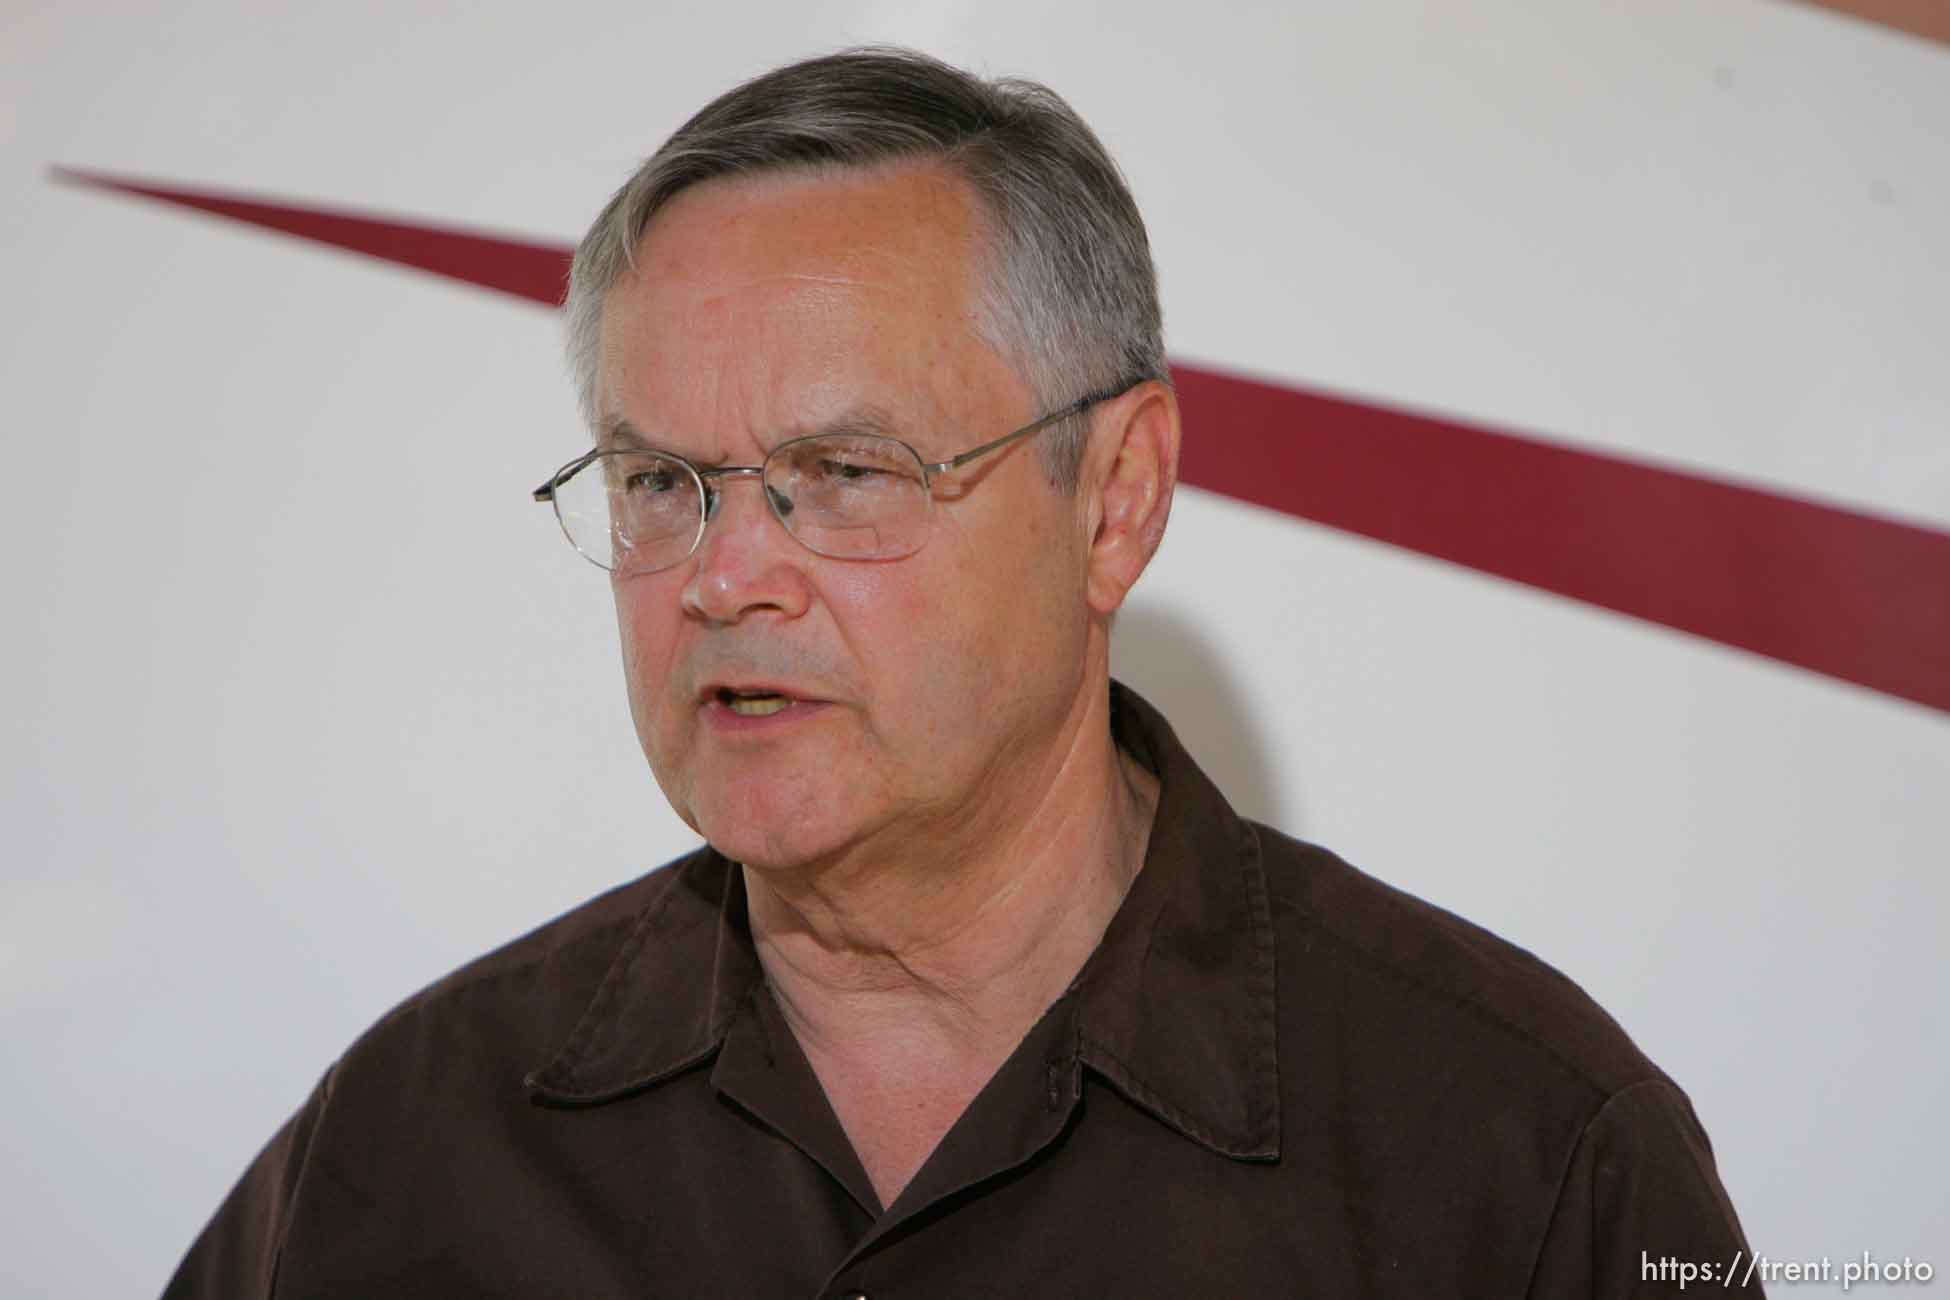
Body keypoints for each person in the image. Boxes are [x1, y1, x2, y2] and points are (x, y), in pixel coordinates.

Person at [165, 47, 1760, 1298]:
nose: (720, 577)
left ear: (1115, 498)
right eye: (662, 482)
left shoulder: (1519, 1156)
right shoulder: (416, 1140)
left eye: (844, 470)